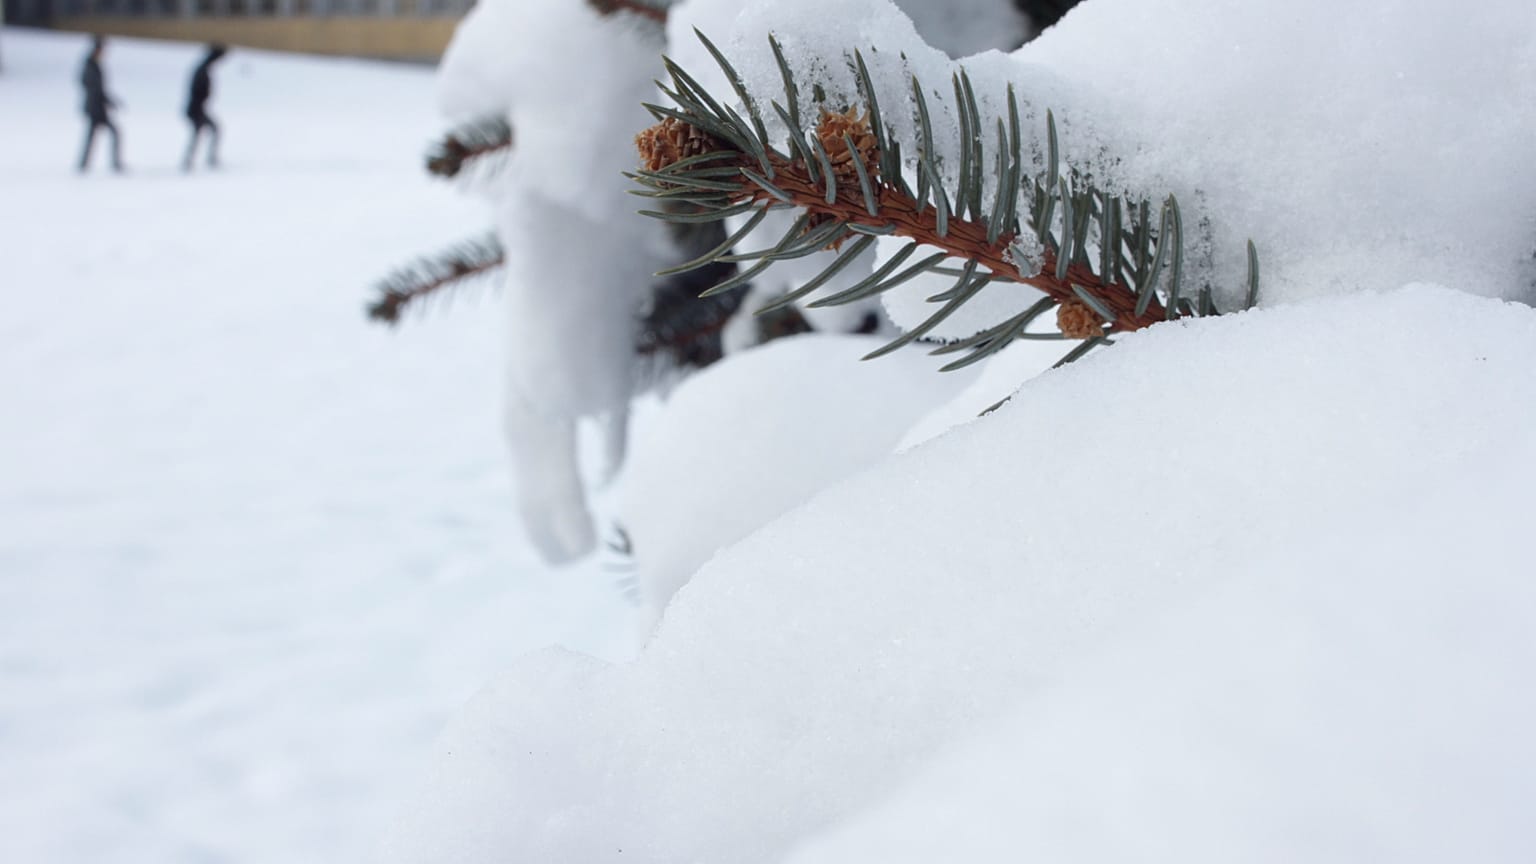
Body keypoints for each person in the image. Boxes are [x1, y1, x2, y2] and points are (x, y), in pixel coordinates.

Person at [78, 36, 123, 173]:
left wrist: (109, 100)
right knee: (109, 134)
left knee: (94, 136)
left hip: (98, 107)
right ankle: (86, 164)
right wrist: (105, 100)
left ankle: (84, 164)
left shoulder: (94, 65)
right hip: (95, 108)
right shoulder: (90, 66)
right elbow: (93, 87)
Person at [182, 44, 227, 172]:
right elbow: (198, 91)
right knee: (200, 133)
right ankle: (190, 161)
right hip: (196, 109)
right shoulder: (202, 70)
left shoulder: (203, 69)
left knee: (205, 132)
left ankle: (192, 160)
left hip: (198, 108)